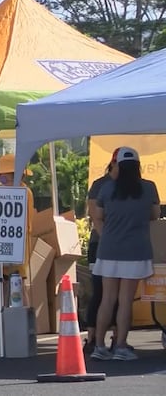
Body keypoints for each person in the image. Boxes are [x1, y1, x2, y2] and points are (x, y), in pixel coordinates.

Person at [90, 146, 160, 361]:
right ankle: (120, 346)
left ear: (117, 164)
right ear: (138, 166)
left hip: (109, 249)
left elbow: (98, 215)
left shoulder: (107, 189)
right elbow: (155, 214)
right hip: (135, 250)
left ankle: (99, 346)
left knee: (107, 299)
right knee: (125, 300)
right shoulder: (148, 188)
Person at [84, 148, 120, 353]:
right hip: (100, 245)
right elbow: (95, 216)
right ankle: (92, 338)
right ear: (112, 163)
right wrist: (109, 240)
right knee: (99, 290)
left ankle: (116, 336)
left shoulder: (129, 186)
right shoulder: (100, 185)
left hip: (117, 246)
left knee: (118, 294)